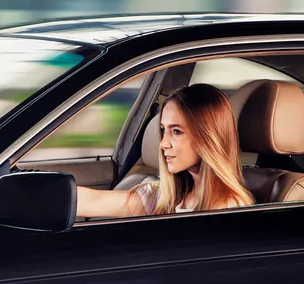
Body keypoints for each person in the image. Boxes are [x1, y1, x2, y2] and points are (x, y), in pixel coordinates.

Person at [76, 83, 255, 218]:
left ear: (207, 138)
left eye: (176, 131)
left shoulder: (229, 210)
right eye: (163, 130)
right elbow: (94, 201)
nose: (163, 144)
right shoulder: (164, 197)